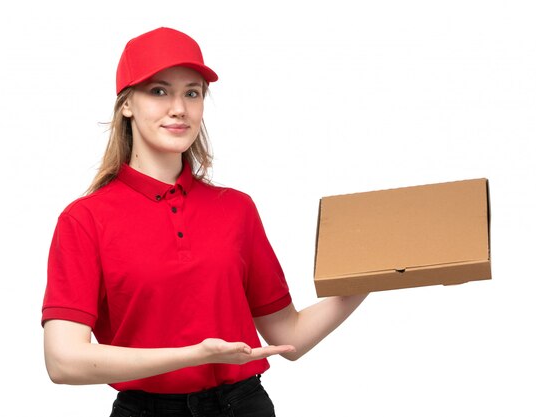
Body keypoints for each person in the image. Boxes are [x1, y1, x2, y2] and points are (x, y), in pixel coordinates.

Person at [42, 26, 368, 417]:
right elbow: (62, 361)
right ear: (126, 104)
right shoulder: (85, 219)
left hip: (243, 406)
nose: (179, 107)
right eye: (159, 91)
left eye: (191, 93)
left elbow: (289, 335)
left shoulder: (236, 209)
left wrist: (377, 275)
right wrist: (193, 356)